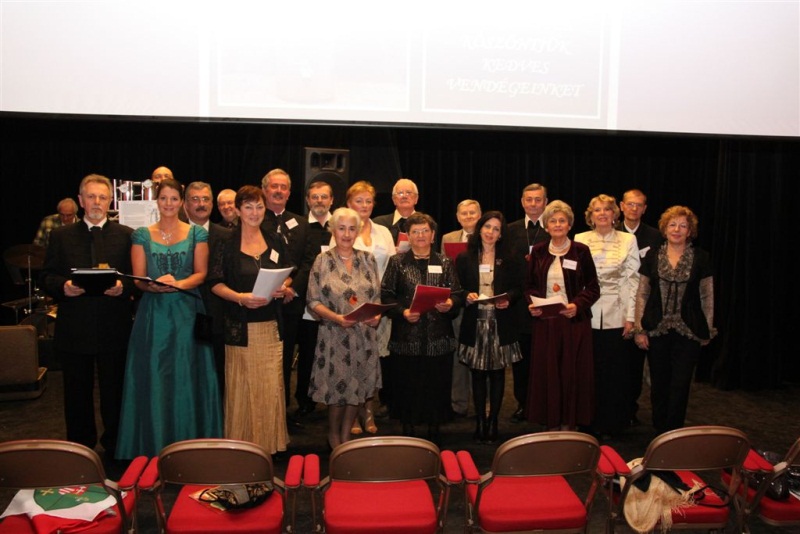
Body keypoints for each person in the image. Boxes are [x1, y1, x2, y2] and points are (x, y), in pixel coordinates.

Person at [116, 178, 222, 459]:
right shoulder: (141, 235)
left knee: (187, 374)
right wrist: (152, 286)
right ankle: (154, 441)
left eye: (174, 199)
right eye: (164, 198)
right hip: (154, 315)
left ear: (182, 202)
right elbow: (139, 279)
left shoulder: (196, 234)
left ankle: (190, 440)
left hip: (188, 311)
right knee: (155, 375)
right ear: (157, 201)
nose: (169, 204)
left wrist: (178, 284)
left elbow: (201, 274)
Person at [40, 174, 134, 458]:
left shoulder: (126, 235)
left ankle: (116, 447)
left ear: (110, 201)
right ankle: (80, 449)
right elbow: (46, 277)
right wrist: (63, 287)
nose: (96, 202)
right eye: (91, 197)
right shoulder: (61, 236)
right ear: (81, 200)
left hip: (114, 327)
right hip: (75, 328)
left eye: (102, 197)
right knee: (76, 393)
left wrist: (124, 287)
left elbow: (136, 278)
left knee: (115, 393)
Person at [208, 185, 290, 456]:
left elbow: (287, 272)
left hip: (271, 326)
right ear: (238, 210)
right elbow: (215, 283)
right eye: (248, 207)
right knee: (243, 388)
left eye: (259, 207)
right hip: (240, 327)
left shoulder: (274, 239)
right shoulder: (226, 243)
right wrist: (240, 298)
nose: (254, 212)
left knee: (270, 386)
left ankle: (269, 445)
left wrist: (284, 287)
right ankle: (243, 446)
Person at [633, 205, 716, 433]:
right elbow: (642, 293)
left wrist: (707, 329)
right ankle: (659, 432)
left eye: (683, 226)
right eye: (672, 225)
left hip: (689, 330)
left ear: (690, 231)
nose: (677, 230)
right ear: (664, 228)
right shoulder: (652, 255)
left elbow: (707, 295)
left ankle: (674, 433)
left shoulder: (701, 257)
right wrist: (640, 328)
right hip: (656, 328)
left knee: (680, 385)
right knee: (658, 384)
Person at [381, 212, 462, 443]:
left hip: (438, 336)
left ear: (433, 235)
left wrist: (450, 303)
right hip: (407, 336)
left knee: (436, 385)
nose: (420, 236)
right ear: (408, 235)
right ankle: (408, 429)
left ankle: (434, 429)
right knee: (407, 384)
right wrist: (403, 312)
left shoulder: (445, 262)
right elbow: (386, 295)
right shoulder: (397, 262)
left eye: (425, 231)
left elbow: (457, 293)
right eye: (415, 231)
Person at [307, 207, 382, 449]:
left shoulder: (368, 259)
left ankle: (346, 435)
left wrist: (376, 316)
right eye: (341, 228)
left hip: (364, 336)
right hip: (334, 335)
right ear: (333, 230)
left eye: (351, 229)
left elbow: (376, 296)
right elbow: (313, 301)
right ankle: (333, 434)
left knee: (357, 387)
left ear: (357, 231)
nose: (347, 234)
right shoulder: (322, 260)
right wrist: (337, 318)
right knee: (336, 391)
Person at [525, 200, 600, 430]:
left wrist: (577, 305)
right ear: (546, 226)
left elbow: (593, 288)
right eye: (553, 221)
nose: (557, 224)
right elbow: (529, 286)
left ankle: (570, 422)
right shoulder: (538, 251)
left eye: (562, 221)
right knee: (548, 372)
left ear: (569, 225)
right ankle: (551, 421)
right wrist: (532, 303)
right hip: (546, 322)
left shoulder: (581, 251)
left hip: (573, 322)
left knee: (571, 373)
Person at [455, 211, 524, 443]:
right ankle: (479, 422)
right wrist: (467, 295)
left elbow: (519, 288)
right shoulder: (465, 257)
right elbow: (457, 289)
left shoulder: (511, 257)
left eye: (496, 229)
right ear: (480, 228)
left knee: (497, 374)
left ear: (501, 234)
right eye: (487, 227)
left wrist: (509, 299)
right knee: (477, 374)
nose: (491, 232)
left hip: (500, 322)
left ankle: (493, 421)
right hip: (475, 322)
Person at [575, 194, 640, 438]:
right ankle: (588, 421)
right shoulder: (580, 239)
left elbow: (633, 281)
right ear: (590, 216)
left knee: (615, 371)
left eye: (607, 209)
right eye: (597, 210)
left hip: (617, 314)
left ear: (615, 214)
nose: (602, 213)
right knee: (589, 370)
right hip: (587, 313)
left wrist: (631, 317)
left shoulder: (628, 239)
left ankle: (613, 422)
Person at [343, 180, 396, 434]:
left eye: (368, 201)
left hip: (378, 307)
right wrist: (358, 306)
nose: (364, 205)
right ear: (348, 203)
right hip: (351, 306)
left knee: (373, 362)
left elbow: (392, 268)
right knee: (352, 361)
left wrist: (380, 306)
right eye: (359, 201)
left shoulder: (383, 231)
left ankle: (368, 410)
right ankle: (352, 414)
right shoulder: (343, 230)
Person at [261, 169, 311, 425]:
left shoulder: (301, 223)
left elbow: (307, 261)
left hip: (291, 303)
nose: (278, 191)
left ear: (289, 193)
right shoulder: (255, 220)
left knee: (286, 357)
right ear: (265, 190)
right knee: (266, 360)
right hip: (264, 302)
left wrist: (291, 286)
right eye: (274, 186)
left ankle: (283, 411)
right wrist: (276, 286)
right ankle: (266, 412)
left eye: (283, 187)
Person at [618, 188, 665, 426]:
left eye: (639, 205)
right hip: (615, 305)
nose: (634, 208)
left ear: (644, 209)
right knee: (616, 361)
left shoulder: (655, 236)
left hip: (643, 306)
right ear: (621, 206)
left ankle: (630, 409)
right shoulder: (612, 233)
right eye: (630, 204)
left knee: (635, 364)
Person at [184, 181, 232, 399]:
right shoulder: (174, 233)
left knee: (217, 373)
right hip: (183, 312)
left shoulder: (227, 235)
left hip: (217, 315)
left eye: (205, 199)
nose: (201, 204)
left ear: (212, 204)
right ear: (185, 204)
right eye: (195, 199)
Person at [506, 183, 549, 421]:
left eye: (538, 199)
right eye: (529, 199)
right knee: (521, 360)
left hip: (547, 302)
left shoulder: (554, 227)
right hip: (519, 304)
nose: (533, 204)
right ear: (522, 202)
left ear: (545, 202)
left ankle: (544, 403)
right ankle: (522, 403)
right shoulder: (510, 230)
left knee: (545, 358)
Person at [295, 181, 334, 420]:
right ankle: (305, 400)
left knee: (334, 353)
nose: (319, 201)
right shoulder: (299, 227)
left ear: (332, 200)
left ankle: (334, 400)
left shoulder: (339, 226)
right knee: (308, 353)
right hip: (308, 302)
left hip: (336, 303)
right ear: (308, 200)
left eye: (324, 197)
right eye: (315, 197)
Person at [441, 199, 481, 418]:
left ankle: (481, 402)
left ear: (480, 215)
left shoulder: (487, 236)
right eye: (464, 213)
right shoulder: (448, 238)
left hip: (479, 301)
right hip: (456, 302)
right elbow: (442, 268)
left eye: (472, 213)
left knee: (480, 354)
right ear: (457, 217)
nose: (468, 216)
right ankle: (459, 403)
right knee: (458, 354)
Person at [373, 177, 437, 248]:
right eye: (400, 193)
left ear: (416, 198)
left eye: (408, 193)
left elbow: (433, 251)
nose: (404, 196)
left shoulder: (428, 224)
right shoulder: (378, 224)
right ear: (394, 199)